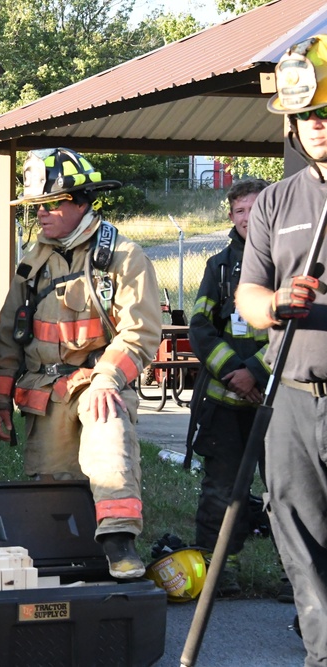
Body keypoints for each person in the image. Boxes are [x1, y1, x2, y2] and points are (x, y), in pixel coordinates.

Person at [0, 148, 161, 579]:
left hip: (95, 381)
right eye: (37, 207)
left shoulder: (122, 256)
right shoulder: (32, 263)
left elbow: (139, 332)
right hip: (44, 394)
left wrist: (107, 379)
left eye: (51, 205)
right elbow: (9, 336)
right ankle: (65, 564)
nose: (42, 215)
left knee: (109, 446)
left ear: (81, 203)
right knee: (53, 489)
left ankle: (120, 543)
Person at [236, 34, 327, 665]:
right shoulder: (275, 200)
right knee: (302, 549)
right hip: (292, 400)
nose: (317, 126)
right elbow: (247, 294)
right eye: (309, 115)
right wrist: (274, 306)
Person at [186, 178, 275, 597]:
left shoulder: (287, 263)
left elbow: (298, 328)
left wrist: (256, 371)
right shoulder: (218, 267)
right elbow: (201, 328)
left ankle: (300, 578)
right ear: (231, 215)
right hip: (225, 404)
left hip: (279, 402)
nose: (248, 218)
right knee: (222, 490)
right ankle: (219, 573)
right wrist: (234, 374)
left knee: (291, 493)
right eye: (241, 211)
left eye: (256, 209)